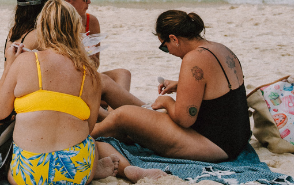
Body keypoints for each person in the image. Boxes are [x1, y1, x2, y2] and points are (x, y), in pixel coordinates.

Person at [93, 10, 251, 180]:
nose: (167, 51)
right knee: (129, 109)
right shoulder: (219, 48)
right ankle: (102, 123)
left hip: (214, 144)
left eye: (164, 46)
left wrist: (168, 102)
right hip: (235, 136)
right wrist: (180, 85)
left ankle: (83, 136)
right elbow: (218, 90)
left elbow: (184, 119)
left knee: (123, 115)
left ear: (174, 39)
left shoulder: (193, 59)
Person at [0, 0, 116, 185]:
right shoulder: (90, 73)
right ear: (76, 29)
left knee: (13, 164)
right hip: (76, 172)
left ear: (41, 27)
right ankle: (94, 168)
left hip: (29, 174)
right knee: (89, 142)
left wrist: (10, 63)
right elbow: (89, 128)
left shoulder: (25, 62)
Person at [49, 0, 132, 92]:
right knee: (109, 86)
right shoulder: (51, 23)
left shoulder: (91, 21)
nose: (89, 1)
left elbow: (96, 63)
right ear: (68, 0)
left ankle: (114, 109)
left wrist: (90, 59)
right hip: (61, 82)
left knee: (123, 74)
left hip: (84, 78)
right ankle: (116, 108)